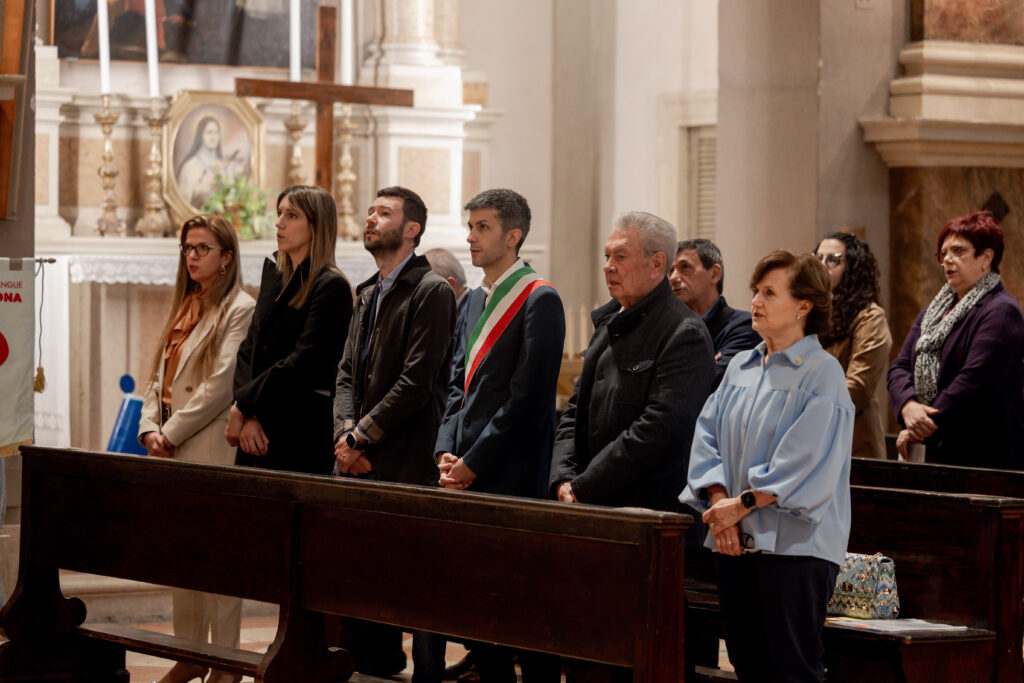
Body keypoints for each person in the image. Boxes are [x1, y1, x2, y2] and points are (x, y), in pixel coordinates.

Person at [681, 250, 853, 683]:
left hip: (796, 550)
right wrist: (719, 504)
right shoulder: (741, 365)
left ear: (803, 306)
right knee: (748, 665)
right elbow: (706, 436)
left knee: (792, 671)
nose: (755, 302)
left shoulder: (823, 373)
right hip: (734, 542)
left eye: (770, 293)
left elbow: (804, 460)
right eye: (756, 291)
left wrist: (737, 507)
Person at [434, 189, 565, 683]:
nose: (470, 236)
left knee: (521, 611)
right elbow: (456, 384)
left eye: (482, 227)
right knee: (479, 610)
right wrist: (446, 450)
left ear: (513, 236)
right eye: (470, 226)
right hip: (466, 470)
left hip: (512, 475)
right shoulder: (473, 299)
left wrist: (475, 462)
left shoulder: (539, 298)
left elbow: (528, 400)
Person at [333, 186, 456, 682]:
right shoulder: (367, 292)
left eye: (383, 213)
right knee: (360, 584)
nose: (371, 219)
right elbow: (345, 373)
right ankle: (368, 669)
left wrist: (359, 439)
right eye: (370, 211)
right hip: (359, 459)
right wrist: (346, 433)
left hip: (404, 461)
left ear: (411, 229)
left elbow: (416, 381)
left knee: (409, 586)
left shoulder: (431, 290)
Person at [137, 214, 256, 683]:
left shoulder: (240, 308)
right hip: (172, 445)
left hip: (206, 446)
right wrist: (149, 426)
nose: (192, 256)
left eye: (202, 248)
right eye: (187, 247)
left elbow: (221, 385)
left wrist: (171, 432)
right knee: (182, 558)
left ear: (226, 257)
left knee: (218, 560)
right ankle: (189, 653)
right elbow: (158, 375)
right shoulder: (187, 304)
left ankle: (224, 662)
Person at [550, 212, 714, 511]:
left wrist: (585, 487)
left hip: (646, 511)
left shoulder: (683, 332)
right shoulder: (608, 324)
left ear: (657, 264)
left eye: (621, 256)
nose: (608, 266)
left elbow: (658, 429)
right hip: (588, 501)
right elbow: (574, 412)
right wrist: (563, 477)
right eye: (607, 256)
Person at [226, 185, 352, 476]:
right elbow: (249, 349)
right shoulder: (276, 276)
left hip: (298, 428)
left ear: (316, 225)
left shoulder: (330, 285)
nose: (279, 223)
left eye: (292, 215)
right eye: (279, 213)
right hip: (257, 425)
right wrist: (247, 411)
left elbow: (304, 363)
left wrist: (245, 405)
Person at [888, 210, 1024, 468]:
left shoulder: (1001, 311)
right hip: (938, 449)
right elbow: (899, 366)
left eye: (958, 251)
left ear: (986, 258)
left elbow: (974, 381)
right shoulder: (933, 312)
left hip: (984, 457)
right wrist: (907, 406)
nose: (947, 260)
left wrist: (922, 425)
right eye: (943, 253)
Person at [814, 232, 892, 460]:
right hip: (808, 437)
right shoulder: (807, 311)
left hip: (852, 438)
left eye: (833, 260)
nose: (822, 265)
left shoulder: (870, 316)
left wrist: (808, 412)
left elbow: (858, 386)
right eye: (818, 258)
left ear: (853, 268)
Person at [670, 238, 760, 389]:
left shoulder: (744, 327)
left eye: (685, 267)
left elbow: (713, 385)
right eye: (670, 271)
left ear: (714, 274)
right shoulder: (667, 329)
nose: (673, 278)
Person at [176, 115, 245, 208]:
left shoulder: (223, 166)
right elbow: (183, 199)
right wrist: (203, 188)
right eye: (209, 132)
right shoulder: (191, 165)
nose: (213, 137)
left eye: (216, 133)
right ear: (201, 136)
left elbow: (232, 197)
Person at [424, 246, 470, 359]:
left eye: (424, 291)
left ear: (449, 286)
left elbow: (458, 367)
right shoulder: (451, 311)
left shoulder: (472, 315)